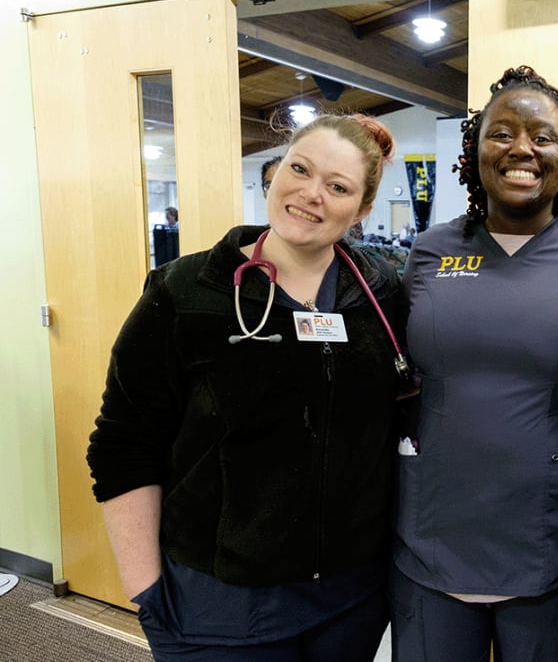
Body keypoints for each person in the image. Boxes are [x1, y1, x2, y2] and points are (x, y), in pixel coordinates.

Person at [87, 114, 407, 661]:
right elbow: (123, 443)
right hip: (218, 605)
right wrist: (143, 586)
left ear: (363, 210)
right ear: (275, 170)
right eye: (299, 169)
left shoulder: (382, 296)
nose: (311, 195)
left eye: (338, 187)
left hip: (350, 600)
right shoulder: (185, 293)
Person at [391, 65, 558, 661]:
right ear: (474, 150)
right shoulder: (431, 251)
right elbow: (397, 368)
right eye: (501, 133)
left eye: (542, 136)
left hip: (551, 529)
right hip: (434, 523)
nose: (521, 149)